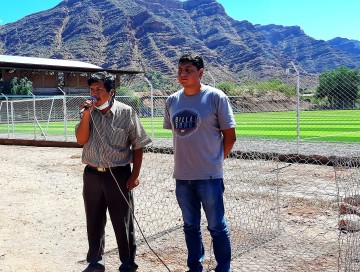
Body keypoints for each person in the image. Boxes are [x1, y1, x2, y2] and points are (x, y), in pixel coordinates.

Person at [163, 54, 236, 272]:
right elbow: (177, 134)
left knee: (216, 226)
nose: (183, 74)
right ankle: (195, 266)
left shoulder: (216, 97)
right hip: (182, 177)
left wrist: (216, 161)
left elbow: (230, 136)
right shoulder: (172, 101)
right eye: (180, 70)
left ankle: (223, 267)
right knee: (190, 226)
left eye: (188, 70)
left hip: (210, 177)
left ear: (201, 73)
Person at [75, 71, 151, 272]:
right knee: (93, 219)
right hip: (92, 175)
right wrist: (85, 115)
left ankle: (127, 262)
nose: (94, 93)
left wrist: (135, 175)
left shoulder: (126, 113)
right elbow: (81, 140)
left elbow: (138, 144)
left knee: (122, 221)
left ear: (111, 91)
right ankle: (95, 260)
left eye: (99, 89)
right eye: (92, 89)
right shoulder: (88, 113)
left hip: (117, 175)